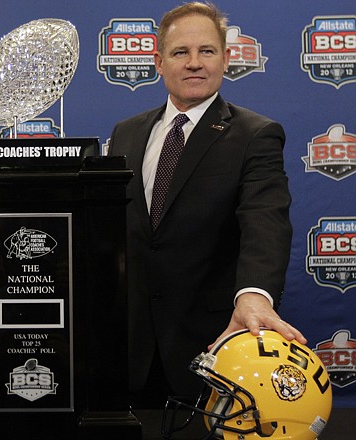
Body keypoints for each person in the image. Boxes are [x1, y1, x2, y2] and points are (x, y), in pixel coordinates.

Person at [107, 2, 305, 409]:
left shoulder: (256, 134)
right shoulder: (126, 134)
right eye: (181, 53)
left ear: (227, 58)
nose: (194, 63)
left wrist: (255, 296)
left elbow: (265, 221)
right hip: (128, 353)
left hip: (214, 349)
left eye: (207, 51)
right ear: (159, 62)